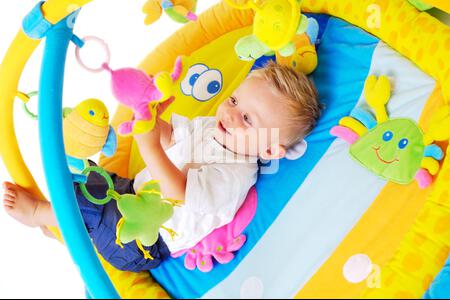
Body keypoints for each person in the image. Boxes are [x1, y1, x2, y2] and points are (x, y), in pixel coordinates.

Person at [2, 61, 322, 272]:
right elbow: (172, 137)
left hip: (145, 241)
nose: (230, 114)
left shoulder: (236, 175)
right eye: (235, 101)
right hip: (136, 195)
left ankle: (38, 215)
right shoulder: (214, 127)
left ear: (269, 148)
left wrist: (150, 147)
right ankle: (64, 226)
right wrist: (152, 116)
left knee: (93, 209)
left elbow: (180, 193)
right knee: (95, 178)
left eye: (248, 119)